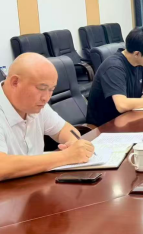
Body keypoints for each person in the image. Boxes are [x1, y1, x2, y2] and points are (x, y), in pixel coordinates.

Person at [0, 53, 95, 182]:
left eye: (51, 90)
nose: (46, 98)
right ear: (15, 82)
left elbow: (64, 130)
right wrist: (66, 156)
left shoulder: (36, 104)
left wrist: (74, 144)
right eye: (42, 88)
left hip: (35, 185)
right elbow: (2, 166)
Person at [86, 27, 143, 127]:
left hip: (129, 118)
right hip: (106, 126)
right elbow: (122, 105)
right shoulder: (114, 67)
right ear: (137, 53)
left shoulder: (139, 64)